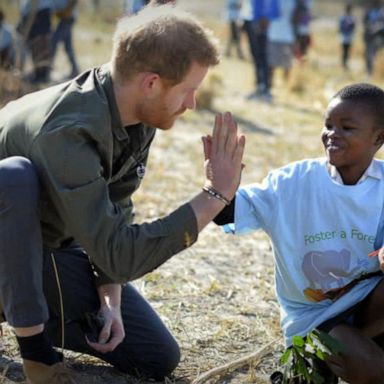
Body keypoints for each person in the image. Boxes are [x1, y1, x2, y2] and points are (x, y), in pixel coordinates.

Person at [0, 3, 245, 384]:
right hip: (11, 246)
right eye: (188, 91)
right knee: (15, 176)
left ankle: (23, 313)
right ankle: (35, 351)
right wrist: (215, 195)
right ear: (151, 83)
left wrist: (109, 299)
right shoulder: (69, 129)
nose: (192, 104)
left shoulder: (135, 115)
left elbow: (114, 218)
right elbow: (121, 253)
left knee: (155, 356)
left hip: (46, 250)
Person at [214, 83, 384, 383]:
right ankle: (307, 363)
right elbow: (230, 212)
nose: (332, 133)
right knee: (372, 368)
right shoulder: (293, 182)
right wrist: (219, 189)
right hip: (314, 320)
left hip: (365, 307)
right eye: (329, 125)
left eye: (346, 128)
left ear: (378, 138)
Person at [17, 0, 53, 83]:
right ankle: (38, 73)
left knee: (40, 43)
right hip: (31, 12)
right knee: (34, 44)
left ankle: (42, 75)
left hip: (38, 12)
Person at [267, 0, 295, 92]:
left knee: (286, 65)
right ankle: (270, 86)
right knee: (273, 64)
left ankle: (285, 88)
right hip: (276, 35)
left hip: (285, 35)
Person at [51, 0, 80, 79]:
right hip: (63, 17)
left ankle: (47, 68)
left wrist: (68, 10)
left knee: (53, 42)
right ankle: (75, 70)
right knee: (68, 46)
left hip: (67, 17)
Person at [363, 0, 384, 77]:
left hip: (379, 36)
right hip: (370, 36)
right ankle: (370, 72)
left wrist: (378, 28)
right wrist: (371, 28)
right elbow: (365, 23)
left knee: (375, 54)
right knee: (369, 55)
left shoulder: (381, 12)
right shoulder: (369, 12)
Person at [339, 3, 356, 71]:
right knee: (344, 50)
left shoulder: (352, 18)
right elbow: (340, 27)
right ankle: (344, 63)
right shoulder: (343, 17)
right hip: (344, 36)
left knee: (348, 51)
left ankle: (346, 63)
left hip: (349, 36)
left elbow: (354, 26)